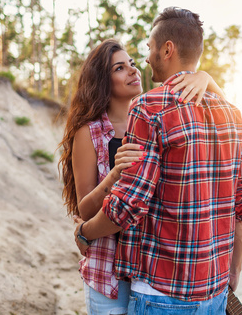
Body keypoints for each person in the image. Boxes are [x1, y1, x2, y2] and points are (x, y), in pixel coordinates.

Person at [74, 7, 242, 314]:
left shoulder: (149, 108)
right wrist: (233, 270)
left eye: (147, 50)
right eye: (121, 67)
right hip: (213, 291)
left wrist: (83, 233)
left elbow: (130, 204)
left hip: (161, 290)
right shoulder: (230, 113)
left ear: (167, 49)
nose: (143, 62)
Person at [58, 39, 225, 314]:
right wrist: (113, 176)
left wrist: (206, 78)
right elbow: (84, 210)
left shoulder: (155, 117)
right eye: (120, 68)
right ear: (102, 80)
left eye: (133, 64)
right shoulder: (89, 132)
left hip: (152, 272)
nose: (133, 71)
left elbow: (224, 115)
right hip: (110, 272)